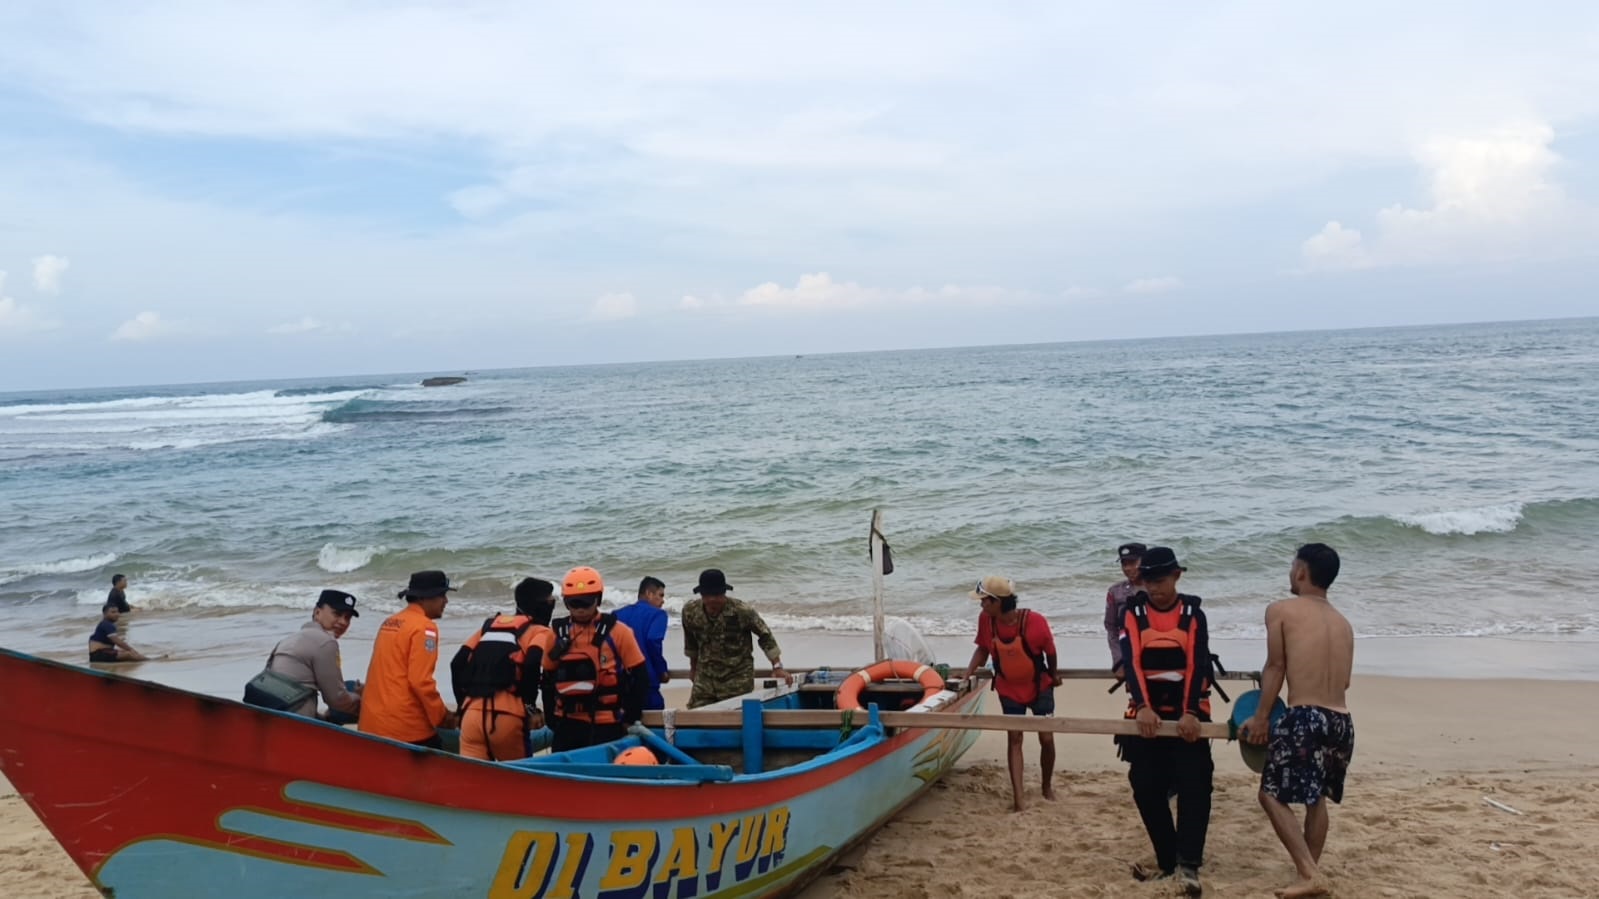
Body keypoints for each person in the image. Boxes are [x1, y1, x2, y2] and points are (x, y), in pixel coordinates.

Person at [1243, 543, 1355, 899]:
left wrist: (1261, 717)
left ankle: (1309, 874)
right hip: (1341, 720)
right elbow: (1345, 681)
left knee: (1269, 795)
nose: (1291, 572)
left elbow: (1276, 666)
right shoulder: (1344, 624)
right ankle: (1309, 875)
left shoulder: (1281, 610)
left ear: (1302, 571)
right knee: (1315, 797)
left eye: (1293, 566)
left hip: (1305, 715)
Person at [1118, 546, 1215, 897]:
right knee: (1144, 785)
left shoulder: (1193, 614)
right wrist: (1144, 707)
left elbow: (1196, 664)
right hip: (1147, 714)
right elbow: (1132, 662)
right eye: (1148, 581)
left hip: (1188, 712)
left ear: (1176, 576)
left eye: (1160, 581)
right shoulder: (1133, 612)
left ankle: (1188, 863)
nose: (1154, 588)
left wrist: (1190, 712)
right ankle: (1167, 859)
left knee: (1196, 784)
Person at [964, 575, 1060, 812]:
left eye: (984, 600)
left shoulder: (1035, 621)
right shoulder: (986, 621)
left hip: (1039, 686)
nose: (981, 605)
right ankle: (1019, 799)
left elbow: (1050, 652)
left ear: (998, 602)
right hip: (1008, 688)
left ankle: (1046, 786)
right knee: (1014, 738)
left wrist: (1054, 675)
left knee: (1046, 738)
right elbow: (983, 649)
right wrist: (967, 674)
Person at [541, 566, 650, 751]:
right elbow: (547, 679)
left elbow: (641, 677)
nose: (581, 609)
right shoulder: (556, 634)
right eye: (574, 603)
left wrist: (630, 717)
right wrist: (551, 720)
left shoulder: (619, 632)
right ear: (566, 603)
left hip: (606, 724)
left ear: (598, 599)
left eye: (586, 602)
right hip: (566, 722)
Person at [450, 581, 555, 761]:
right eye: (550, 600)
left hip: (471, 716)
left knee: (475, 776)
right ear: (541, 605)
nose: (552, 603)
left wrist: (462, 707)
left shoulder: (490, 626)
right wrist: (530, 707)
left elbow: (457, 663)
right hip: (507, 718)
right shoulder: (540, 631)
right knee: (518, 776)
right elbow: (532, 662)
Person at [359, 570, 459, 748]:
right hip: (404, 728)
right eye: (442, 595)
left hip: (371, 723)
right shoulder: (425, 628)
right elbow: (420, 681)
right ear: (424, 597)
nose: (446, 601)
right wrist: (442, 717)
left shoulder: (390, 622)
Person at [681, 569, 790, 708]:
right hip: (705, 677)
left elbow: (765, 636)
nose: (712, 600)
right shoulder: (690, 612)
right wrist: (693, 668)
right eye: (708, 596)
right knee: (698, 714)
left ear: (724, 593)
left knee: (735, 715)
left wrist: (777, 667)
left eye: (717, 595)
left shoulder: (742, 611)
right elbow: (691, 642)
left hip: (737, 677)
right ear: (701, 594)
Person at [262, 589, 363, 719]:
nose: (343, 622)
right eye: (337, 614)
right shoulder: (326, 642)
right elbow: (336, 700)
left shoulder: (289, 639)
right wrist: (362, 700)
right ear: (317, 612)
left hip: (271, 709)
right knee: (351, 689)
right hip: (294, 720)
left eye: (347, 618)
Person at [613, 576, 670, 709]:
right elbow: (653, 641)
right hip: (647, 678)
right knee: (654, 718)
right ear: (649, 593)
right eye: (660, 595)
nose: (663, 601)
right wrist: (662, 670)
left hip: (620, 679)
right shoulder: (658, 614)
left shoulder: (616, 614)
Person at [1105, 543, 1146, 676]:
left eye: (1133, 563)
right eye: (1124, 564)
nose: (1127, 568)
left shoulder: (1157, 589)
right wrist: (1118, 661)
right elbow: (1111, 628)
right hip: (1129, 655)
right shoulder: (1115, 592)